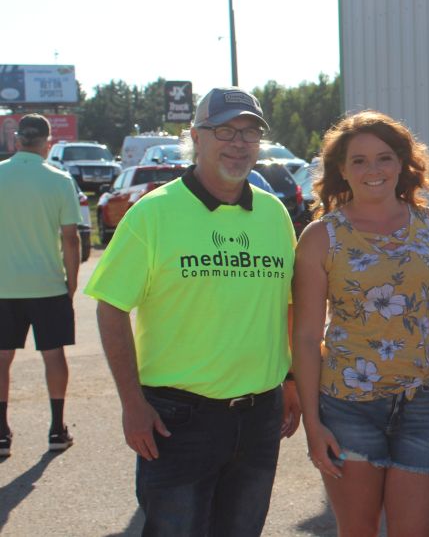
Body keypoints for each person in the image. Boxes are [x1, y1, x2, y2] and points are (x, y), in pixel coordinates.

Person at [86, 88, 301, 536]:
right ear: (196, 137)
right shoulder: (153, 214)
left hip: (260, 417)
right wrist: (132, 404)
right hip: (178, 420)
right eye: (224, 131)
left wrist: (292, 380)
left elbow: (288, 305)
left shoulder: (274, 215)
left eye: (250, 132)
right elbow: (111, 309)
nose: (238, 143)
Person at [292, 110, 429, 536]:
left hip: (423, 402)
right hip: (347, 406)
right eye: (359, 160)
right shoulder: (320, 237)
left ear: (402, 163)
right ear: (341, 170)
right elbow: (307, 336)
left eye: (384, 158)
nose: (373, 170)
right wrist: (313, 424)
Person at [0, 114, 80, 456]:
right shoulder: (59, 180)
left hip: (3, 285)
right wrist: (71, 284)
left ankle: (1, 432)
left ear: (17, 140)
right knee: (53, 354)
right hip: (48, 284)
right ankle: (56, 429)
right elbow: (70, 238)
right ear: (48, 143)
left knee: (2, 357)